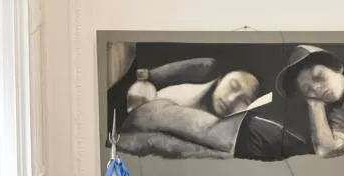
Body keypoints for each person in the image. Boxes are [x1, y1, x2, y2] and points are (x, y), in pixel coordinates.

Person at [116, 57, 310, 161]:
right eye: (233, 86)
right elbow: (145, 116)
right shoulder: (180, 90)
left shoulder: (242, 128)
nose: (232, 99)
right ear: (220, 79)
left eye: (244, 100)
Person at [275, 43, 344, 158]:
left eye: (318, 77)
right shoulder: (342, 119)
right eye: (308, 89)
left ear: (337, 67)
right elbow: (326, 150)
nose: (316, 88)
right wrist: (315, 105)